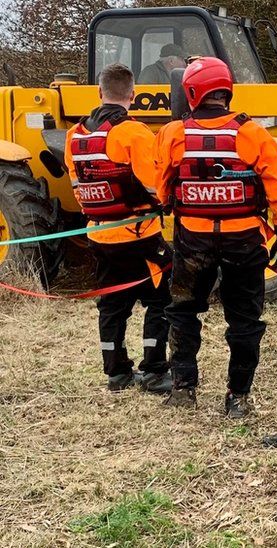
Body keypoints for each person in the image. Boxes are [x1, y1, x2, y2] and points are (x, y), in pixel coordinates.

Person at [154, 57, 277, 418]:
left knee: (183, 312)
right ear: (226, 91)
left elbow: (162, 186)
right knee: (245, 320)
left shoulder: (173, 133)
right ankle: (238, 398)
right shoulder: (252, 133)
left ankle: (184, 389)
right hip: (244, 243)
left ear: (191, 92)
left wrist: (171, 201)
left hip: (192, 244)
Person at [64, 63, 173, 393]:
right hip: (138, 235)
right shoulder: (134, 132)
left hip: (98, 235)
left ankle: (116, 373)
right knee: (161, 300)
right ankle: (154, 370)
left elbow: (77, 186)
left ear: (99, 93)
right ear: (133, 95)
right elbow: (155, 187)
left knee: (111, 305)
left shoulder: (75, 135)